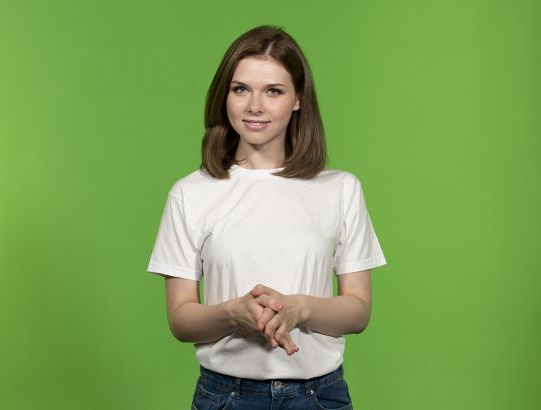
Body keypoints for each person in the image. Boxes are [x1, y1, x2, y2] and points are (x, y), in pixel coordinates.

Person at [147, 24, 387, 409]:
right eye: (241, 89)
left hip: (318, 396)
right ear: (225, 95)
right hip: (226, 396)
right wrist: (233, 312)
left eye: (273, 91)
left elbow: (358, 310)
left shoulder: (341, 189)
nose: (254, 106)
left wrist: (300, 308)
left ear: (298, 99)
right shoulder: (190, 193)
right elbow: (180, 318)